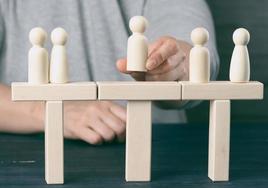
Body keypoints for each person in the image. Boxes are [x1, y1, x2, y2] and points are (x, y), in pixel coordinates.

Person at [0, 0, 219, 145]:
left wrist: (175, 69)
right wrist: (50, 112)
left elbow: (193, 48)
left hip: (159, 149)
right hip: (29, 153)